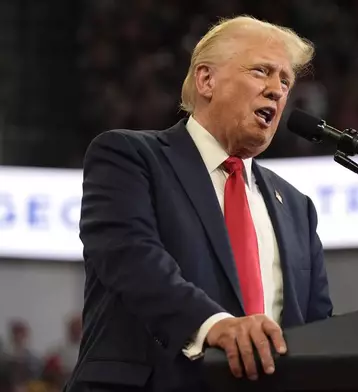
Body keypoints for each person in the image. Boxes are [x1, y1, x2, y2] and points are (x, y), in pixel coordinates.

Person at [64, 15, 333, 392]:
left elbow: (317, 326)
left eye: (285, 80)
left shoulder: (296, 206)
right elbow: (130, 259)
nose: (277, 89)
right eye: (261, 72)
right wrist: (214, 325)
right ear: (206, 79)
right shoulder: (130, 157)